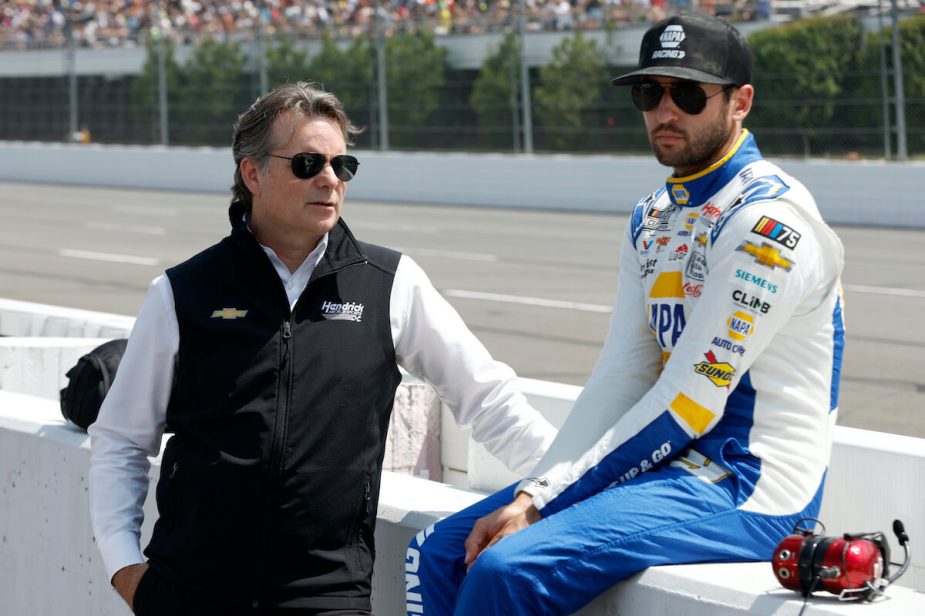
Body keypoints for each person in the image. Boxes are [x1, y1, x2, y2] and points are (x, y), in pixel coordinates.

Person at [407, 12, 845, 615]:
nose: (666, 111)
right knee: (438, 551)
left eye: (688, 93)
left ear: (740, 102)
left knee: (508, 566)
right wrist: (539, 487)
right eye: (650, 92)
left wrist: (539, 501)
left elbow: (690, 399)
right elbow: (622, 377)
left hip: (752, 486)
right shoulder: (654, 216)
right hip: (667, 466)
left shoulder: (769, 225)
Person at [88, 82, 557, 615]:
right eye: (308, 163)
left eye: (343, 165)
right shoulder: (182, 292)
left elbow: (489, 399)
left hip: (327, 597)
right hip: (190, 592)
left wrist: (562, 482)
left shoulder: (390, 283)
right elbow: (121, 442)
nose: (330, 179)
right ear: (253, 174)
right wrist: (126, 570)